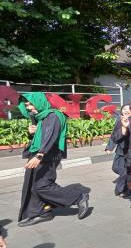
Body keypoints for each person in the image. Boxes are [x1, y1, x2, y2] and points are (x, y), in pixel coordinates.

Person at [17, 92, 90, 227]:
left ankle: (78, 197)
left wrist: (40, 155)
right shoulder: (40, 117)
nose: (28, 108)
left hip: (47, 154)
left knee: (42, 186)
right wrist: (32, 132)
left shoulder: (53, 116)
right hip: (38, 153)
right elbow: (41, 136)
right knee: (32, 185)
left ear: (39, 101)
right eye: (26, 105)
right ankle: (41, 212)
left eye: (30, 104)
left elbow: (51, 136)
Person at [106, 104, 131, 197]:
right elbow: (114, 134)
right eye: (124, 109)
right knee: (115, 168)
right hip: (120, 149)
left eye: (129, 109)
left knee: (124, 171)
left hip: (129, 151)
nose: (126, 110)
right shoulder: (119, 120)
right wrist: (109, 147)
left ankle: (121, 189)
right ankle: (129, 181)